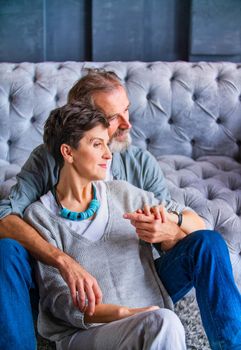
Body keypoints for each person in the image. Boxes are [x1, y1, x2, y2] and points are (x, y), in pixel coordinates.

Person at [0, 68, 241, 350]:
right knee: (6, 251)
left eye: (126, 110)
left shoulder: (132, 173)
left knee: (206, 245)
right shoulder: (43, 179)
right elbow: (6, 219)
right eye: (114, 117)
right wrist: (63, 261)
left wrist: (167, 228)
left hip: (138, 279)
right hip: (82, 304)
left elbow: (187, 229)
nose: (127, 124)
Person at [24, 102, 186, 350]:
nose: (108, 155)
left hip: (149, 327)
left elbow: (191, 221)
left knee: (165, 323)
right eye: (97, 144)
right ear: (68, 152)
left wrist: (170, 227)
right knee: (164, 322)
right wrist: (126, 312)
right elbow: (60, 302)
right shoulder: (40, 216)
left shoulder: (123, 193)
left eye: (106, 144)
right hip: (83, 335)